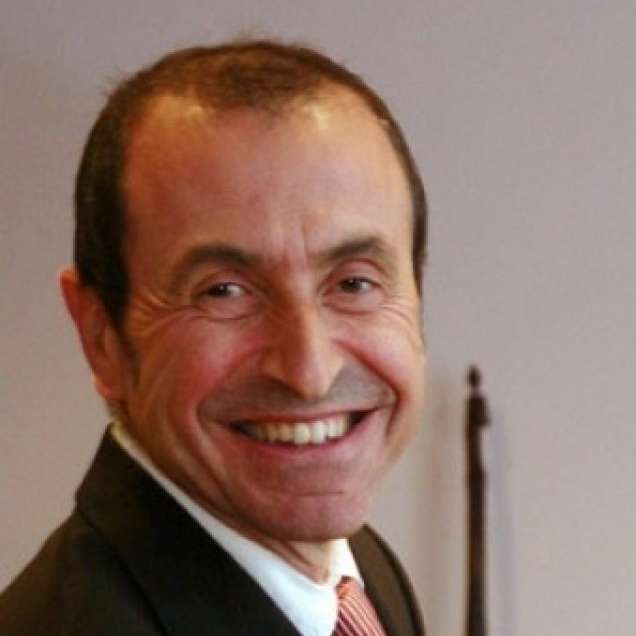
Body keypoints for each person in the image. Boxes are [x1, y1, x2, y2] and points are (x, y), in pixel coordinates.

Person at [0, 39, 428, 635]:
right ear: (100, 337)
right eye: (224, 292)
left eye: (354, 283)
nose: (309, 371)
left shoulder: (351, 573)